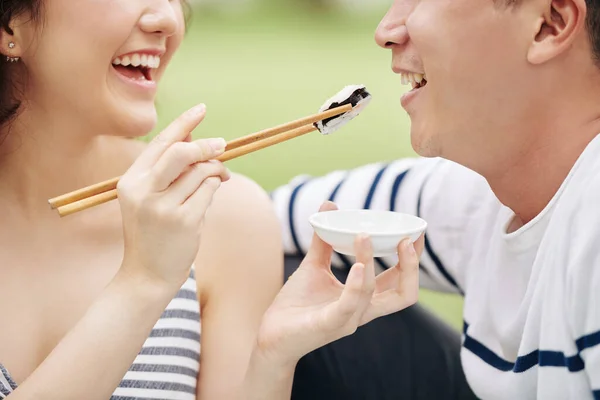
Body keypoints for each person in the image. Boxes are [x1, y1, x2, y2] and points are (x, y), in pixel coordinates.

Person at [0, 1, 422, 399]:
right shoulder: (171, 249)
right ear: (9, 24)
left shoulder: (225, 218)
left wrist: (271, 360)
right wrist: (143, 282)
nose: (168, 19)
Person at [272, 0, 600, 398]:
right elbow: (256, 217)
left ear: (550, 24)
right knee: (278, 269)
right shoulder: (480, 197)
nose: (386, 31)